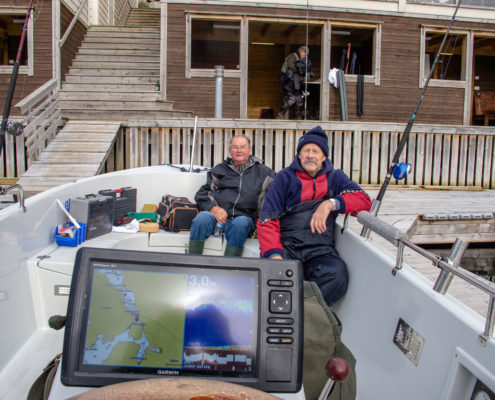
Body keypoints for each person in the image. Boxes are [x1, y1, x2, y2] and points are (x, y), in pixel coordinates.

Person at [257, 126, 372, 307]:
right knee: (274, 279)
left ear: (324, 156)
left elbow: (364, 201)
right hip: (287, 247)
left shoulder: (336, 177)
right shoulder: (284, 178)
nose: (310, 155)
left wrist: (330, 204)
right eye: (306, 151)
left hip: (320, 249)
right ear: (299, 155)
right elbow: (267, 219)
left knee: (338, 275)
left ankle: (304, 314)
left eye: (315, 151)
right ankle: (288, 312)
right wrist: (274, 256)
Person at [189, 135, 275, 257]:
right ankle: (193, 261)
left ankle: (230, 266)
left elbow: (280, 191)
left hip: (245, 220)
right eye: (235, 147)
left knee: (240, 223)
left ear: (249, 150)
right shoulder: (219, 170)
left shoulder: (265, 173)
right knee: (201, 218)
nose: (239, 150)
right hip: (218, 218)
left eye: (243, 147)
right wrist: (213, 208)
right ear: (230, 151)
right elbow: (202, 194)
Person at [277, 45, 313, 120]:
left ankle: (297, 117)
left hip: (296, 84)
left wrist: (306, 73)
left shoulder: (302, 61)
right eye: (304, 53)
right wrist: (301, 70)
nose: (305, 55)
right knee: (291, 99)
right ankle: (281, 114)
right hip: (288, 82)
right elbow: (291, 66)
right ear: (301, 51)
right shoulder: (292, 56)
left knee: (299, 100)